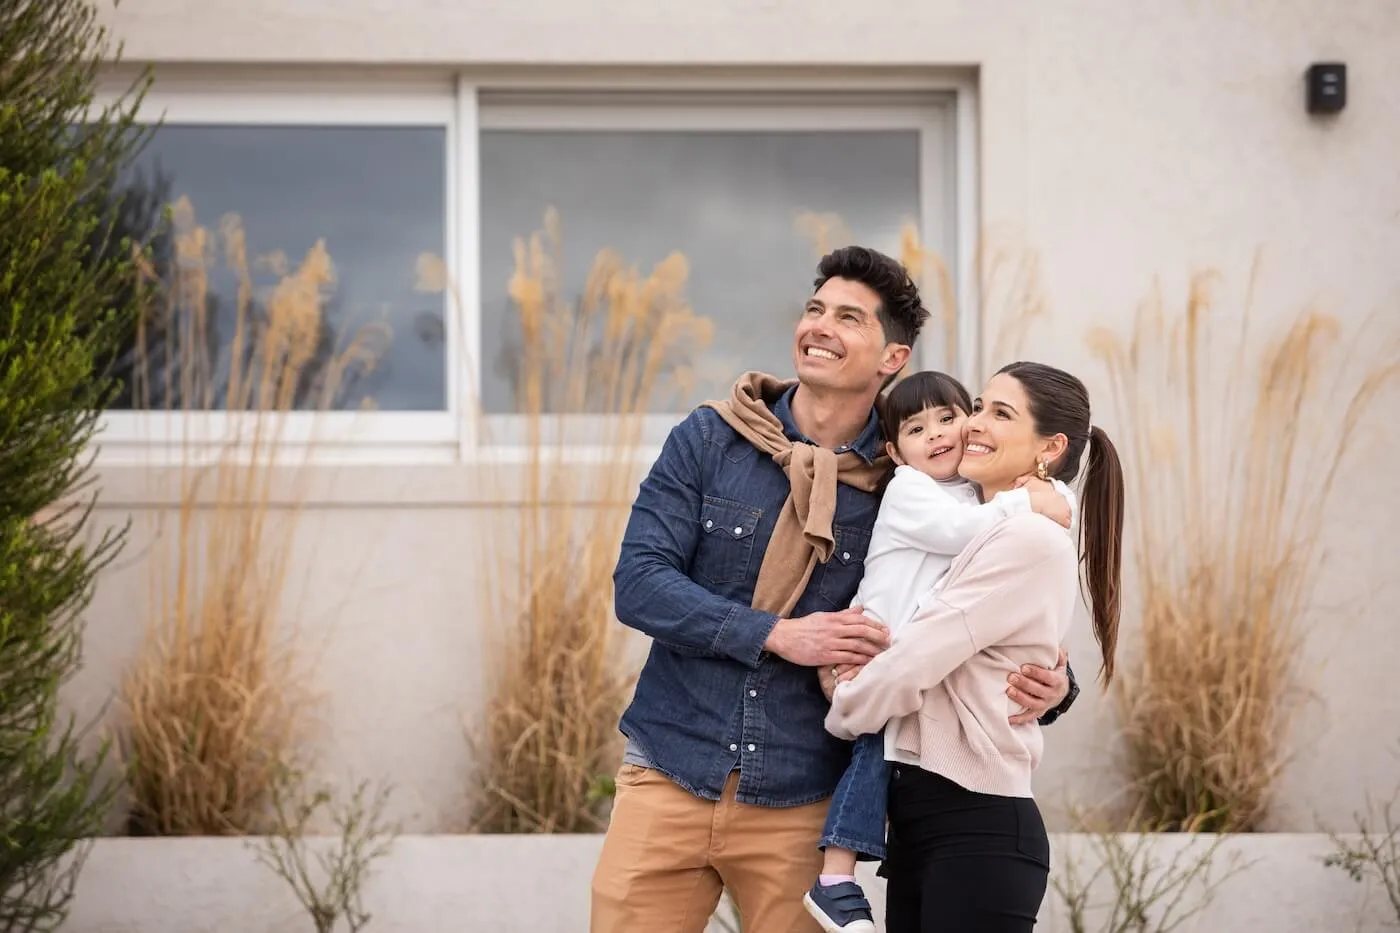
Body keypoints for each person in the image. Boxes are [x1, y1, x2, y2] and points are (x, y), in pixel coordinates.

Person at [591, 248, 1078, 933]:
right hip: (670, 769)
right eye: (815, 309)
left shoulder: (912, 471)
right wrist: (777, 633)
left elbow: (979, 599)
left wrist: (1058, 685)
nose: (820, 326)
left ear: (892, 357)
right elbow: (639, 584)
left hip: (803, 801)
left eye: (849, 317)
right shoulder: (710, 440)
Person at [824, 361, 1125, 933]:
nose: (973, 425)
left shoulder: (1025, 534)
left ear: (1050, 446)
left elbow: (917, 657)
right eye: (981, 406)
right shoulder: (967, 513)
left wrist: (844, 702)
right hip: (929, 822)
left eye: (999, 413)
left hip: (974, 823)